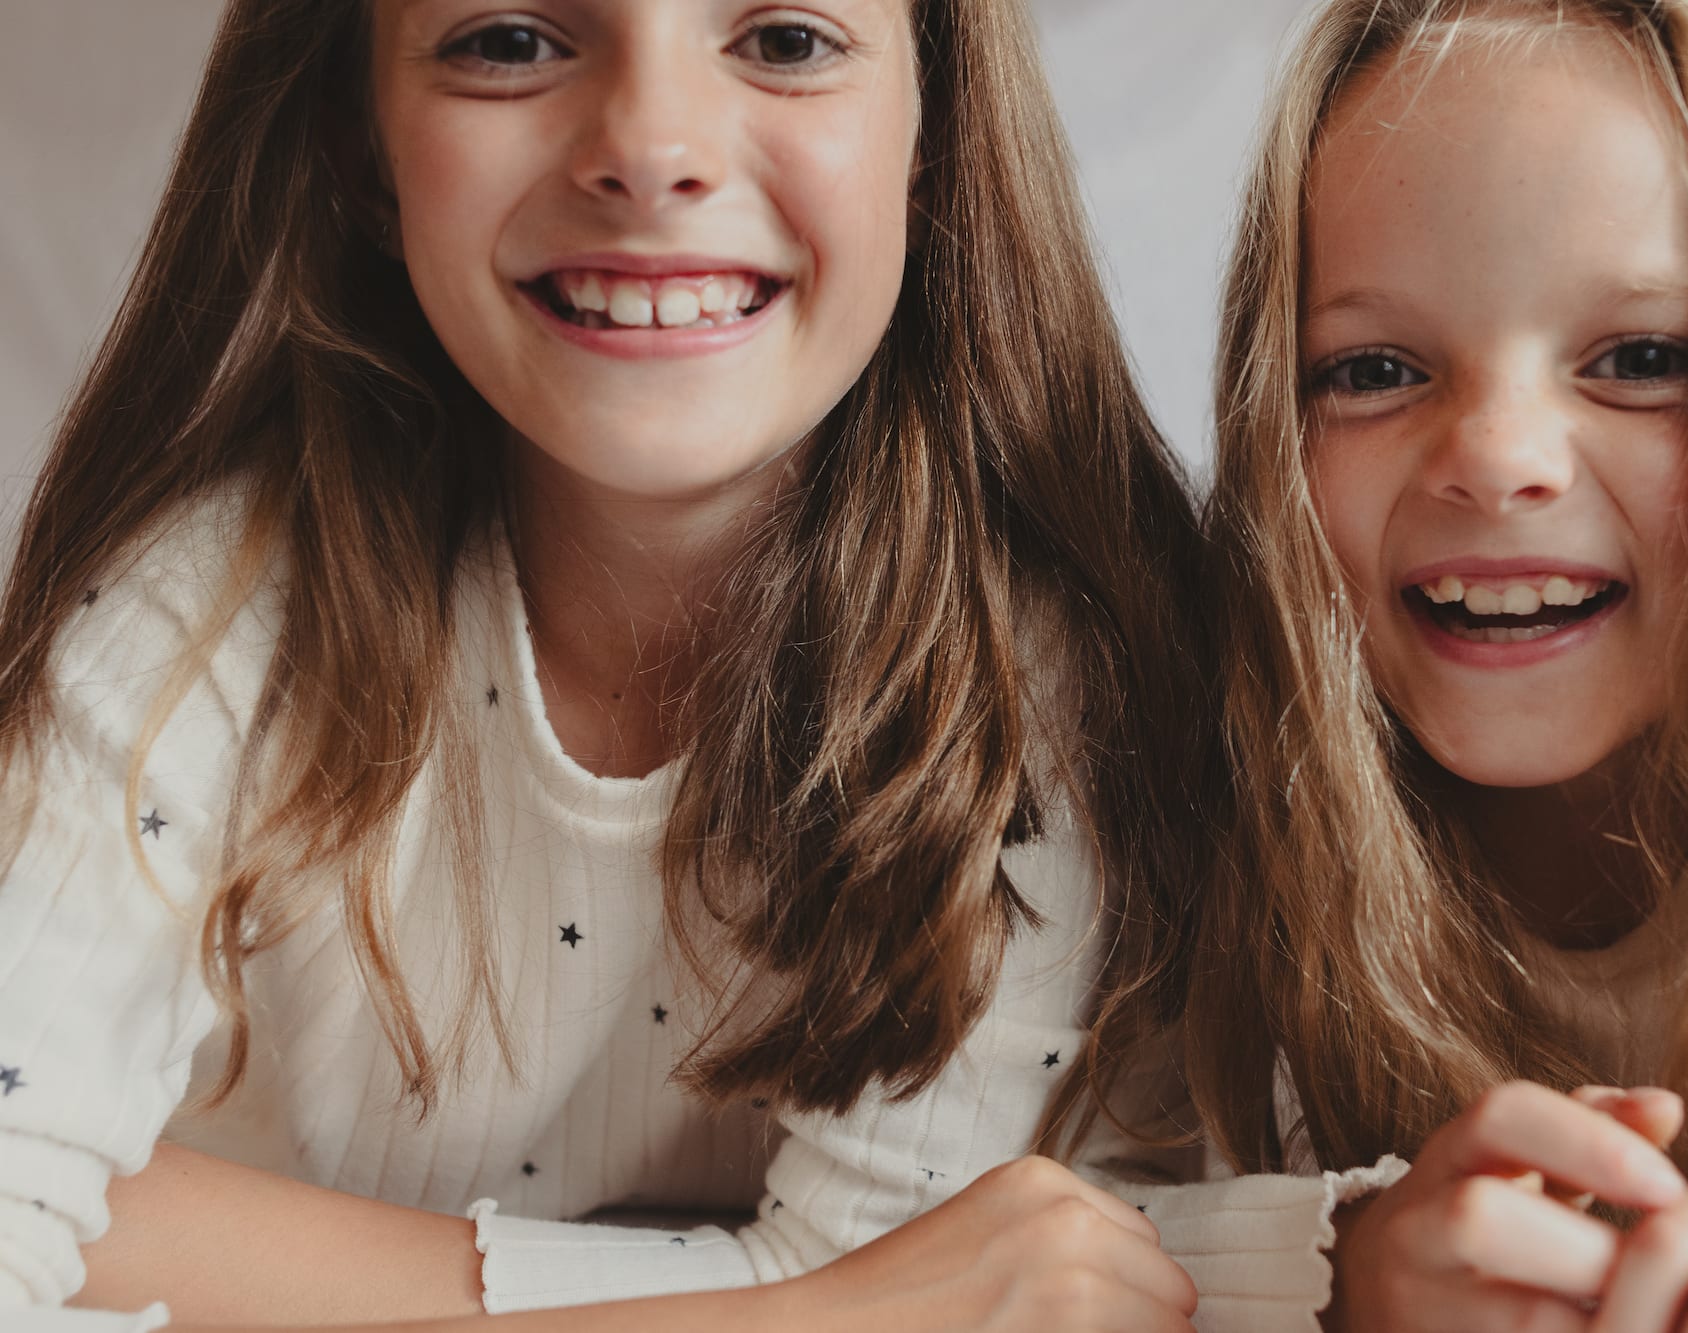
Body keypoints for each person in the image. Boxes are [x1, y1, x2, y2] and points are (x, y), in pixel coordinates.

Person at [0, 0, 1285, 1328]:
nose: (652, 146)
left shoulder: (1043, 673)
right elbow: (879, 1308)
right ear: (357, 146)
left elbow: (922, 1292)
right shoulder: (205, 619)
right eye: (508, 41)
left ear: (936, 129)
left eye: (785, 39)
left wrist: (169, 1240)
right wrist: (804, 1309)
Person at [1190, 0, 1688, 1328]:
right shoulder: (1191, 807)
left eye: (1643, 361)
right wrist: (1344, 1270)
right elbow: (1042, 1222)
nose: (1498, 456)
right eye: (1375, 369)